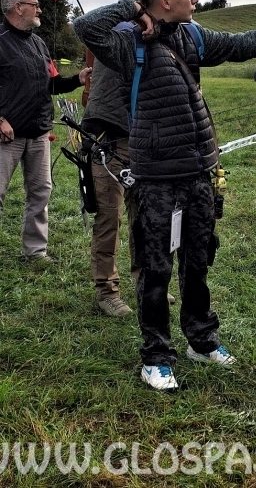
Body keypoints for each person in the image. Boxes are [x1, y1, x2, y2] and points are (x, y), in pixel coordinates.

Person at [73, 0, 256, 392]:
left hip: (199, 170)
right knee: (155, 269)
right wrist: (134, 9)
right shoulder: (126, 42)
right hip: (155, 174)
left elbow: (242, 44)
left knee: (198, 261)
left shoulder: (191, 35)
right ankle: (156, 356)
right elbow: (85, 27)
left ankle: (202, 339)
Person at [81, 29, 176, 317]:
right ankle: (107, 291)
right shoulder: (119, 36)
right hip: (110, 140)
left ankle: (145, 282)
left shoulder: (159, 40)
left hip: (145, 143)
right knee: (110, 217)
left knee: (144, 217)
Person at [0, 0, 92, 261]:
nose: (40, 9)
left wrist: (77, 79)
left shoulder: (39, 43)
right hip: (7, 135)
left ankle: (35, 251)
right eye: (34, 4)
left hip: (39, 132)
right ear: (18, 8)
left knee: (41, 193)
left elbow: (51, 83)